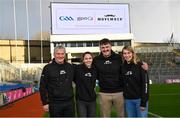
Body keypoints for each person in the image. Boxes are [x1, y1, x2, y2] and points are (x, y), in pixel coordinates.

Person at [93, 38, 148, 117]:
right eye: (103, 47)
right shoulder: (96, 60)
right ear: (100, 48)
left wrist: (142, 63)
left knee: (122, 116)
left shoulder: (119, 57)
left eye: (107, 47)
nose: (105, 49)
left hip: (119, 93)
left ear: (110, 46)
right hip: (104, 93)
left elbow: (131, 60)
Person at [39, 45, 75, 117]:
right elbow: (42, 86)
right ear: (54, 54)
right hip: (55, 104)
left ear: (65, 55)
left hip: (69, 103)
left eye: (62, 54)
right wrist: (45, 103)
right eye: (58, 54)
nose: (60, 56)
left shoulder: (70, 67)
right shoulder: (48, 68)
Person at [121, 46, 149, 117]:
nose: (127, 55)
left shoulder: (140, 65)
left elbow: (145, 84)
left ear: (133, 53)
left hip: (139, 100)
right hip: (128, 101)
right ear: (123, 55)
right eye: (124, 53)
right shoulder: (122, 67)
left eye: (128, 53)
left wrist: (143, 102)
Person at [74, 51, 97, 117]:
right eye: (86, 58)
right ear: (83, 60)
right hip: (81, 100)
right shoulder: (77, 68)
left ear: (92, 59)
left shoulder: (95, 69)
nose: (88, 60)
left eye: (90, 58)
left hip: (92, 100)